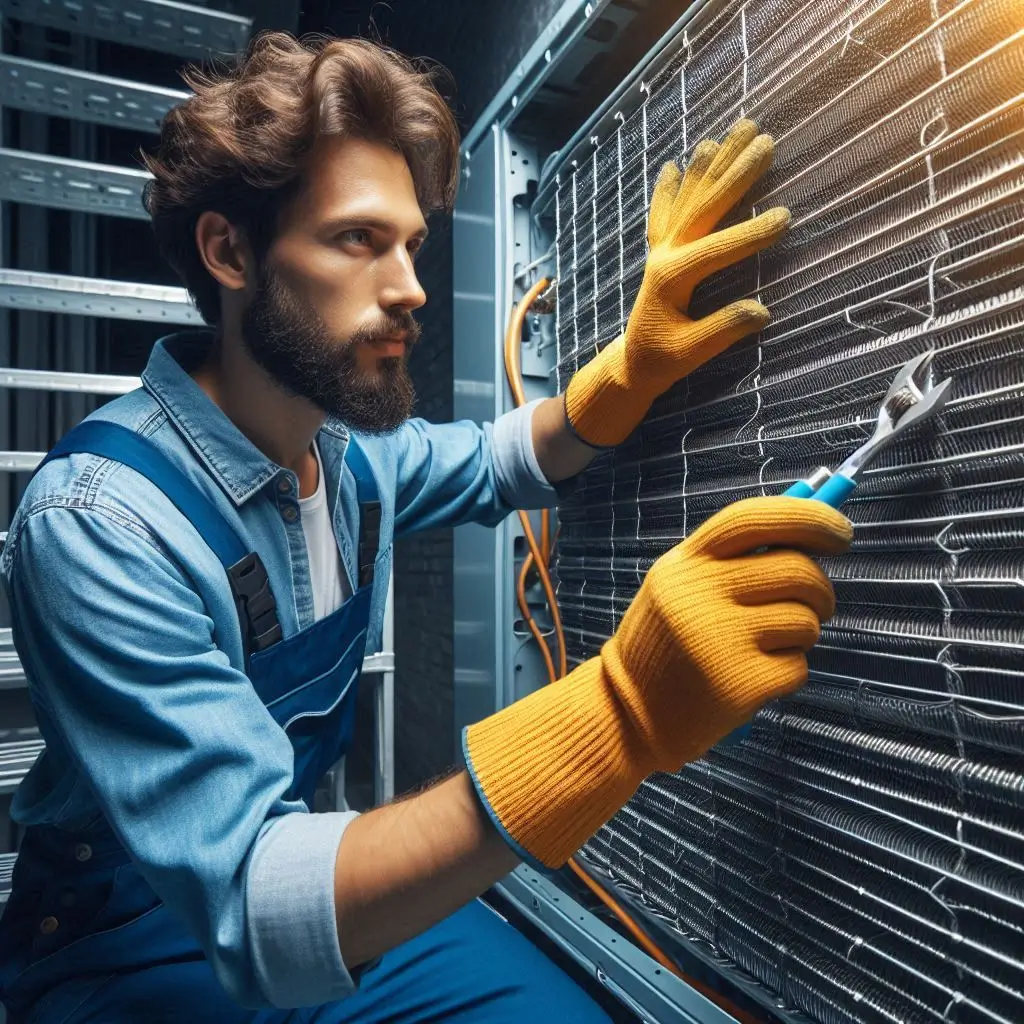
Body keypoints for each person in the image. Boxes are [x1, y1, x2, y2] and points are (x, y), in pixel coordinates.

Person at [0, 32, 851, 1023]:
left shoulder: (352, 461)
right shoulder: (101, 522)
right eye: (358, 240)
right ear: (229, 250)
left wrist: (631, 367)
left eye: (410, 243)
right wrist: (618, 712)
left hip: (315, 879)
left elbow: (502, 457)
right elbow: (248, 893)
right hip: (127, 943)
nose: (410, 286)